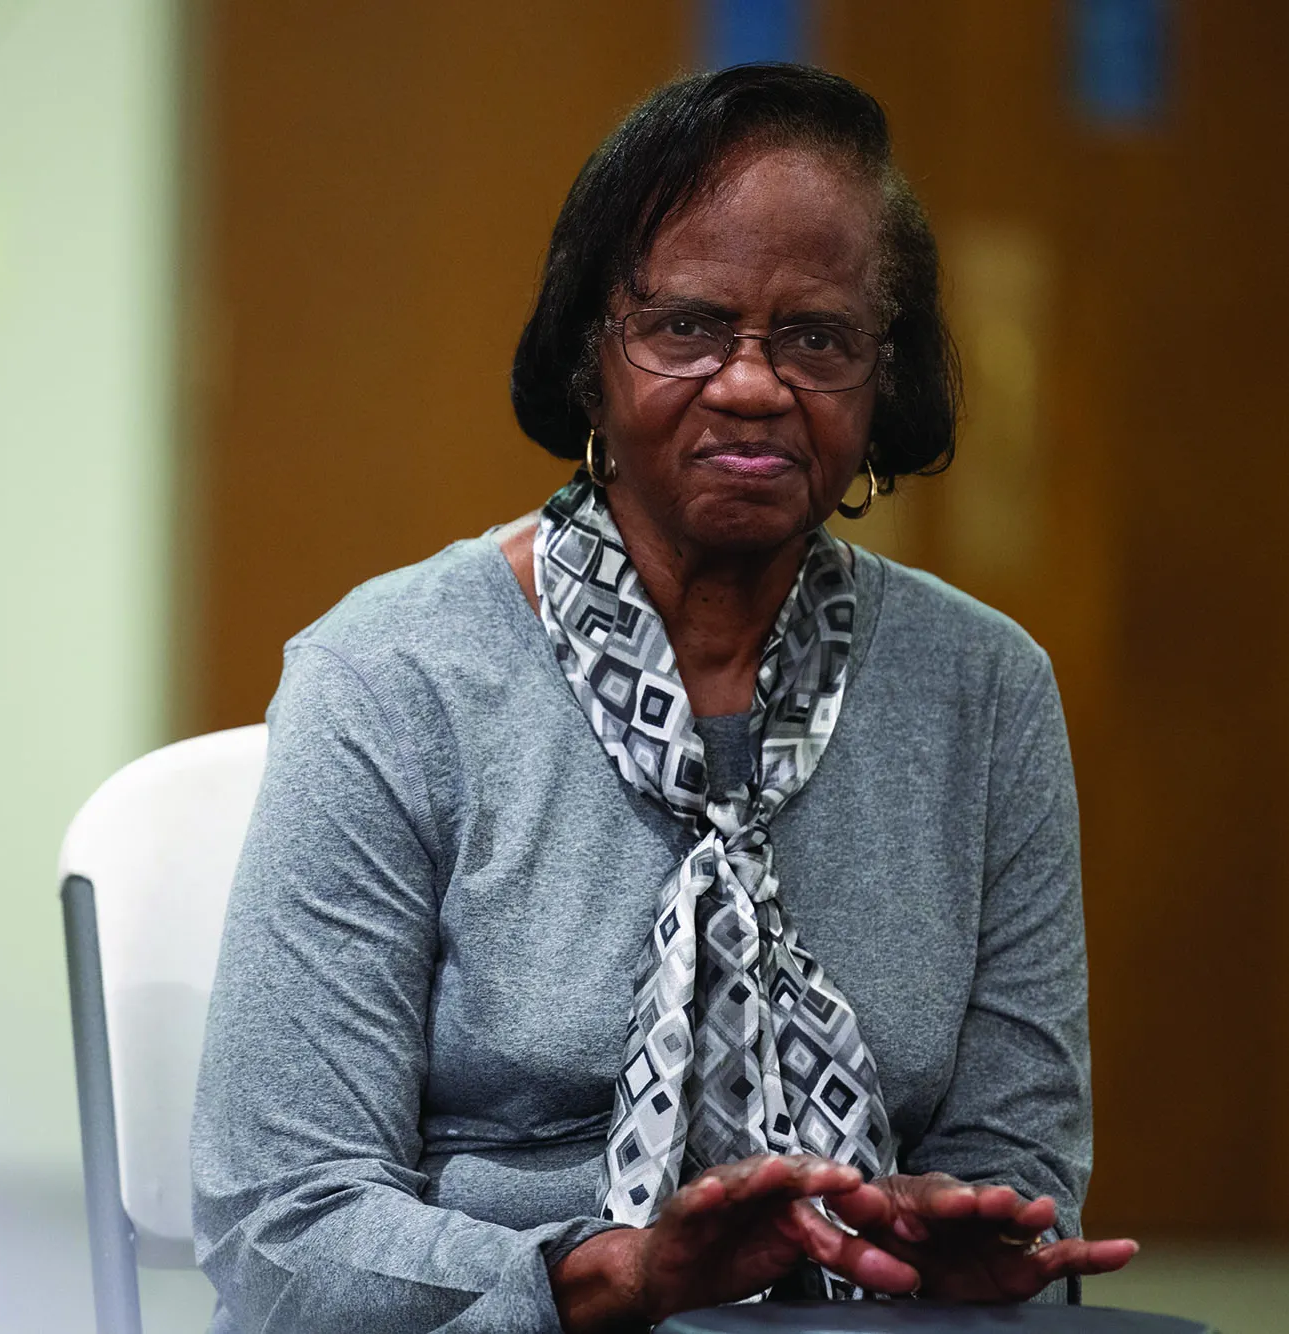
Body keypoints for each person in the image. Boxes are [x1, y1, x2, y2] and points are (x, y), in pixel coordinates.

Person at [191, 64, 1137, 1333]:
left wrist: (957, 1244)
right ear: (590, 355)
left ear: (883, 378)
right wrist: (617, 1275)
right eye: (687, 325)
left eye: (815, 338)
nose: (751, 384)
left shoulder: (983, 694)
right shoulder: (393, 679)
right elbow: (285, 1224)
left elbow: (1019, 1162)